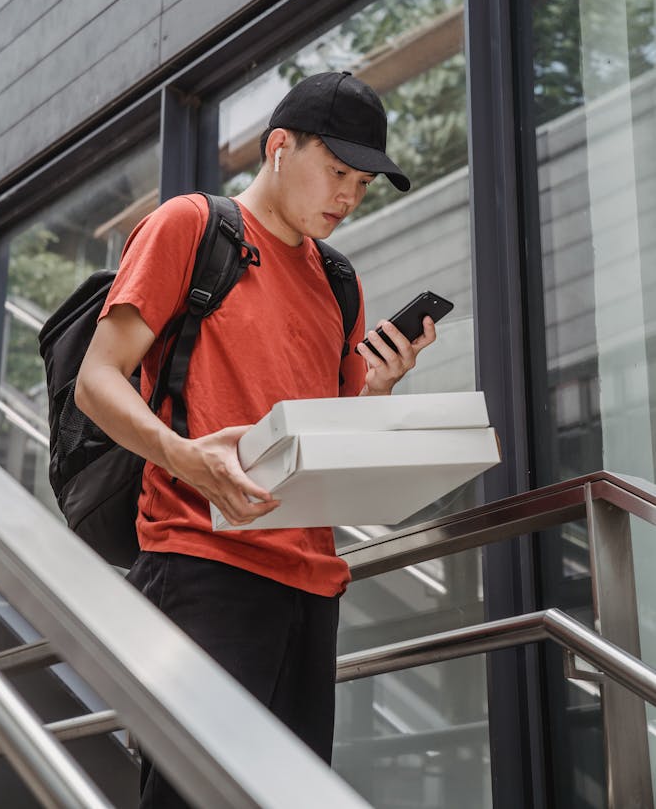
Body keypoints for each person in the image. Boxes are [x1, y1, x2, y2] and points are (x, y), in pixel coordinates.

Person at [75, 70, 437, 807]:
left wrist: (382, 387)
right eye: (338, 170)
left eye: (364, 183)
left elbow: (330, 432)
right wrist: (183, 456)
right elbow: (97, 379)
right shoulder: (193, 227)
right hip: (200, 561)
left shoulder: (339, 280)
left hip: (311, 583)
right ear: (279, 146)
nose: (349, 195)